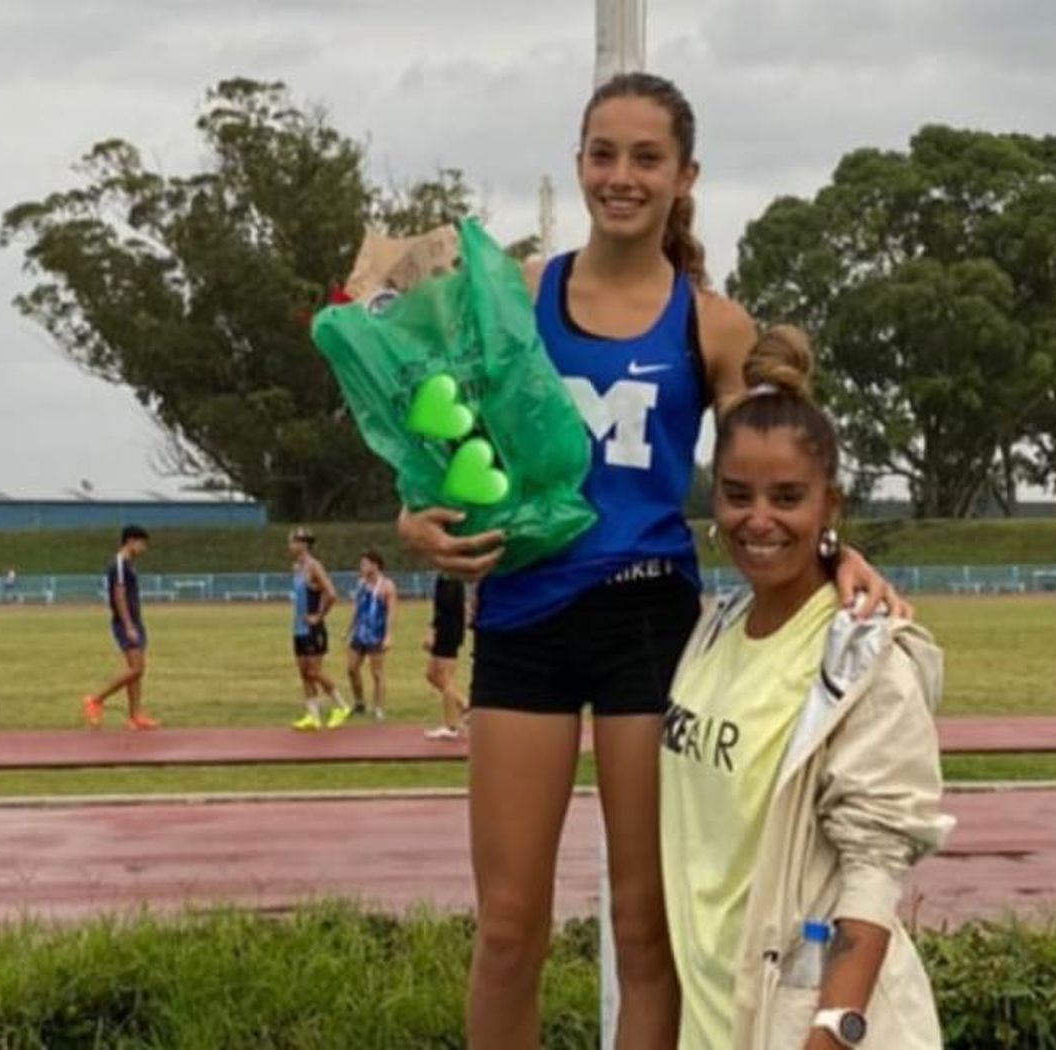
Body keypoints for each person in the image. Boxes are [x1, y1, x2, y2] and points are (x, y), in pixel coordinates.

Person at [395, 73, 908, 1049]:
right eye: (602, 153)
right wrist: (415, 519)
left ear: (685, 176)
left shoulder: (710, 324)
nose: (620, 176)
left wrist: (841, 556)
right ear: (579, 160)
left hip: (648, 628)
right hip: (522, 620)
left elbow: (778, 465)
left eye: (645, 158)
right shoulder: (521, 295)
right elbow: (445, 438)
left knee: (648, 929)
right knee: (508, 929)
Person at [660, 327, 951, 1050]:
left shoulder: (865, 662)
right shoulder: (712, 631)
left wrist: (829, 1033)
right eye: (737, 495)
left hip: (795, 1028)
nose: (757, 519)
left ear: (830, 505)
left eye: (787, 497)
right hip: (710, 1017)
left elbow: (874, 869)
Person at [82, 525, 160, 730]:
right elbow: (119, 595)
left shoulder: (129, 564)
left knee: (137, 671)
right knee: (136, 669)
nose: (144, 548)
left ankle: (135, 715)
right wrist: (128, 625)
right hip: (126, 623)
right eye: (142, 543)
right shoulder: (119, 564)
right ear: (130, 541)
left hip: (135, 621)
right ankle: (96, 699)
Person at [287, 527, 348, 731]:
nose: (289, 545)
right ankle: (313, 716)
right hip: (298, 627)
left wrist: (319, 616)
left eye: (293, 541)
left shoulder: (314, 567)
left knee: (314, 672)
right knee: (303, 673)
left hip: (313, 628)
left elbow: (331, 593)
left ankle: (341, 705)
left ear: (303, 544)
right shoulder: (296, 567)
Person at [345, 550, 398, 721]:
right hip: (360, 633)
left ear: (375, 565)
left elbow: (391, 612)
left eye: (365, 564)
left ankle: (378, 707)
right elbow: (356, 607)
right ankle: (359, 702)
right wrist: (349, 629)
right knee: (352, 668)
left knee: (377, 673)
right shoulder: (361, 583)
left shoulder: (387, 586)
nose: (362, 567)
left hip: (376, 633)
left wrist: (388, 635)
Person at [423, 573, 470, 740]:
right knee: (431, 674)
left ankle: (451, 726)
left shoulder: (452, 578)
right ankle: (464, 704)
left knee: (445, 676)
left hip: (448, 631)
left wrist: (433, 632)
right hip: (446, 630)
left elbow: (446, 608)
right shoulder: (443, 577)